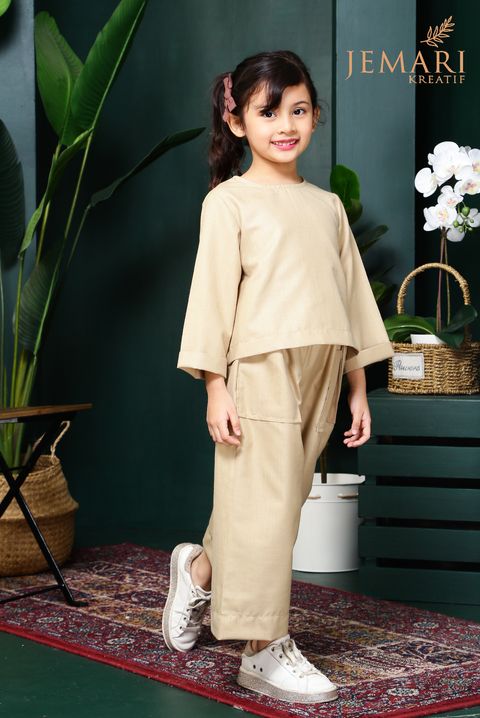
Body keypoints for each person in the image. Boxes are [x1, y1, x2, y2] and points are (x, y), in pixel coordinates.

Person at [162, 49, 394, 704]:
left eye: (298, 110)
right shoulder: (228, 203)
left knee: (274, 505)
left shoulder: (326, 207)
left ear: (316, 116)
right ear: (238, 123)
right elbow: (211, 297)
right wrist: (214, 384)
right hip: (260, 368)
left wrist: (357, 387)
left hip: (323, 369)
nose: (285, 125)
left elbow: (352, 297)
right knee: (263, 510)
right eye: (268, 112)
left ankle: (198, 570)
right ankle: (263, 650)